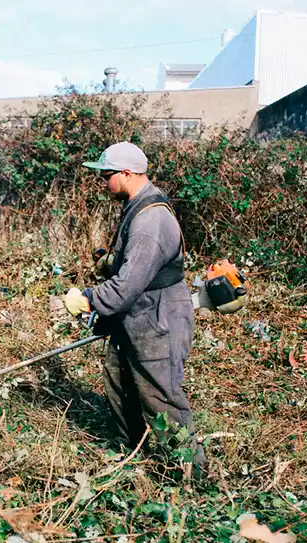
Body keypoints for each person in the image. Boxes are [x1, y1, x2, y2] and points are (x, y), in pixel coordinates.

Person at [62, 141, 206, 472]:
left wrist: (88, 299)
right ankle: (133, 457)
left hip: (158, 319)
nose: (103, 182)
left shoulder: (151, 219)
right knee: (119, 382)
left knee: (160, 399)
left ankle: (189, 476)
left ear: (127, 173)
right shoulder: (135, 205)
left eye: (106, 175)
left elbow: (127, 286)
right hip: (135, 315)